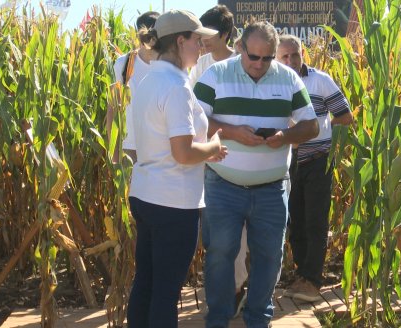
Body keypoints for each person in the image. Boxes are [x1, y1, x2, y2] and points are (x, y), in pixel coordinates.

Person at [194, 21, 319, 328]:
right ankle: (219, 318)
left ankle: (258, 318)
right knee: (221, 253)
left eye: (267, 58)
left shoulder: (288, 79)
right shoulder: (216, 75)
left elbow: (311, 125)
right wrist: (233, 133)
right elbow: (192, 120)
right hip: (223, 184)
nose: (260, 64)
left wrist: (284, 136)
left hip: (272, 188)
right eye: (253, 57)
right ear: (240, 48)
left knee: (271, 256)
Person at [127, 9, 228, 328]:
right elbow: (183, 152)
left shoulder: (147, 78)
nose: (201, 48)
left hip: (145, 194)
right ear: (180, 40)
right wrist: (212, 148)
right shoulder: (177, 86)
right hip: (173, 202)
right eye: (197, 41)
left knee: (146, 282)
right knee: (166, 292)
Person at [276, 34, 353, 302]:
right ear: (277, 57)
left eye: (294, 55)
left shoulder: (319, 80)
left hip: (318, 159)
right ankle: (302, 274)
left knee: (315, 221)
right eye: (284, 56)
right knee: (294, 221)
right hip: (288, 162)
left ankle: (313, 280)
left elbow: (345, 116)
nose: (290, 60)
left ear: (302, 54)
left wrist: (323, 135)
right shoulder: (275, 82)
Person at [188, 4, 250, 318]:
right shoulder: (199, 66)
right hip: (208, 160)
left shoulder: (243, 67)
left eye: (208, 36)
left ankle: (235, 287)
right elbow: (193, 112)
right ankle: (227, 287)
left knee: (235, 232)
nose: (202, 41)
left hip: (239, 161)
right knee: (212, 233)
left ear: (225, 35)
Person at [108, 11, 159, 163]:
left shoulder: (167, 64)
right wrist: (114, 154)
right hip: (130, 148)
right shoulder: (123, 64)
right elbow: (112, 109)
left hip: (160, 149)